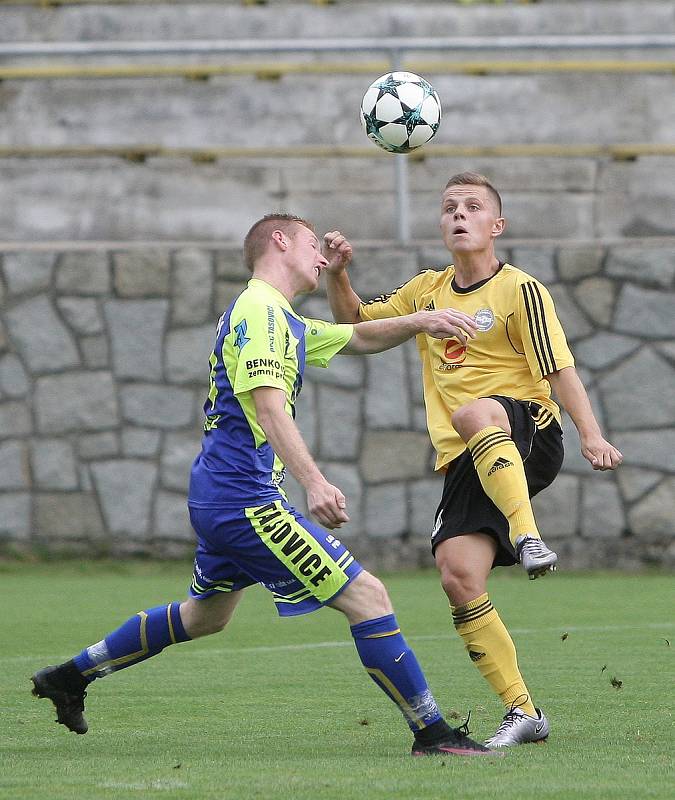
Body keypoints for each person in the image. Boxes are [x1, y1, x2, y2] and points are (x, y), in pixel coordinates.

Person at [31, 213, 495, 758]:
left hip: (220, 495)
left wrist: (422, 321)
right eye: (311, 244)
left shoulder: (279, 315)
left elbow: (360, 335)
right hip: (244, 499)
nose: (322, 258)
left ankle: (68, 676)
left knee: (205, 616)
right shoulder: (259, 311)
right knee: (368, 596)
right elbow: (269, 407)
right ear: (279, 241)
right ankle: (433, 733)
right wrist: (315, 483)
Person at [324, 172, 623, 748]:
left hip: (528, 430)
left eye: (472, 207)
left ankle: (528, 536)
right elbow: (357, 322)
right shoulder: (426, 290)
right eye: (449, 207)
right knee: (458, 576)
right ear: (441, 225)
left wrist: (591, 434)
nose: (459, 214)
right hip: (469, 455)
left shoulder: (521, 290)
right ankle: (523, 711)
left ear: (496, 226)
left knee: (474, 413)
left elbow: (559, 368)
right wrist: (338, 274)